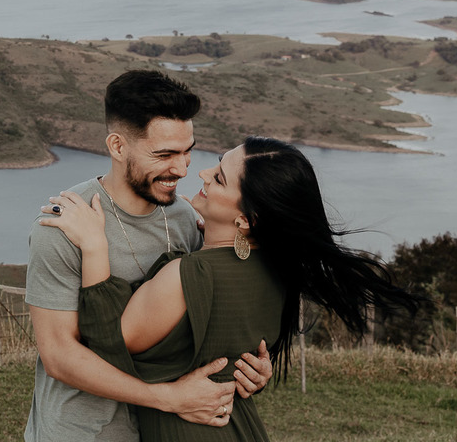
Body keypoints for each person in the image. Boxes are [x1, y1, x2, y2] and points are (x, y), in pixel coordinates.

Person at [40, 136, 421, 441]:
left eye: (220, 177)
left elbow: (107, 346)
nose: (203, 173)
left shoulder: (190, 275)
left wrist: (94, 246)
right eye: (217, 163)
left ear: (246, 219)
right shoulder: (277, 272)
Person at [25, 70, 272, 442]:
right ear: (118, 147)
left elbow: (196, 327)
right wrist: (167, 398)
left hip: (167, 431)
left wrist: (248, 367)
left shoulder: (188, 219)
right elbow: (59, 356)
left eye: (188, 151)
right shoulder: (65, 224)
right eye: (165, 154)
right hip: (82, 433)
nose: (182, 168)